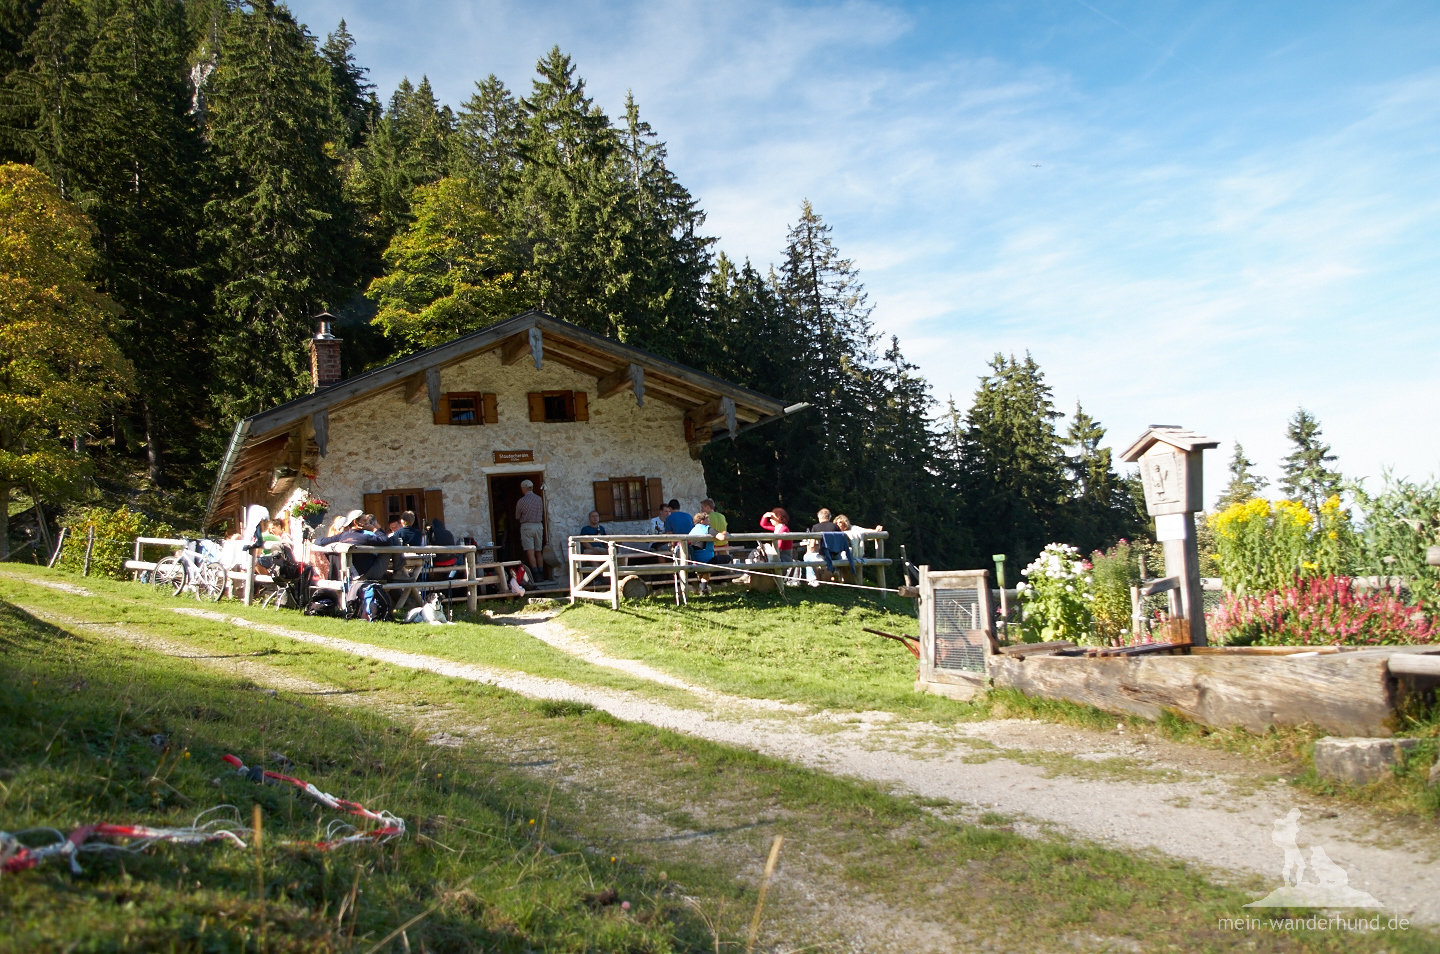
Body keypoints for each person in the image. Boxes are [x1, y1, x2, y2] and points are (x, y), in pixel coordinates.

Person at [316, 510, 393, 580]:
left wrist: (313, 540)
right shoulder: (365, 537)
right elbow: (386, 541)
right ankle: (399, 572)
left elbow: (320, 541)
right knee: (394, 539)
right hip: (369, 573)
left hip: (351, 573)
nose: (367, 523)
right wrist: (375, 529)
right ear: (356, 522)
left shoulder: (342, 535)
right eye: (364, 520)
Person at [834, 515, 883, 583]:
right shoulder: (834, 530)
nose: (838, 524)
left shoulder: (852, 528)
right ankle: (836, 575)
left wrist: (875, 530)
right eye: (837, 523)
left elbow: (864, 531)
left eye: (840, 522)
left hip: (851, 553)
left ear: (845, 523)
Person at [515, 479, 546, 583]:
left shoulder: (521, 501)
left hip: (527, 526)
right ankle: (542, 574)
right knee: (538, 552)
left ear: (523, 489)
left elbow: (517, 516)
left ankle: (536, 575)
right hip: (538, 525)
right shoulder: (539, 499)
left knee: (530, 552)